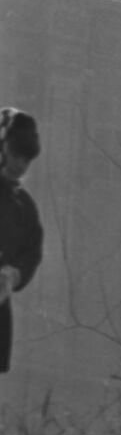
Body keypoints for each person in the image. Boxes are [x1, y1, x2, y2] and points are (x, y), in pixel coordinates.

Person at [0, 109, 42, 378]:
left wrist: (13, 274)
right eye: (16, 155)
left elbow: (32, 251)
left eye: (26, 160)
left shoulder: (24, 207)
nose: (20, 165)